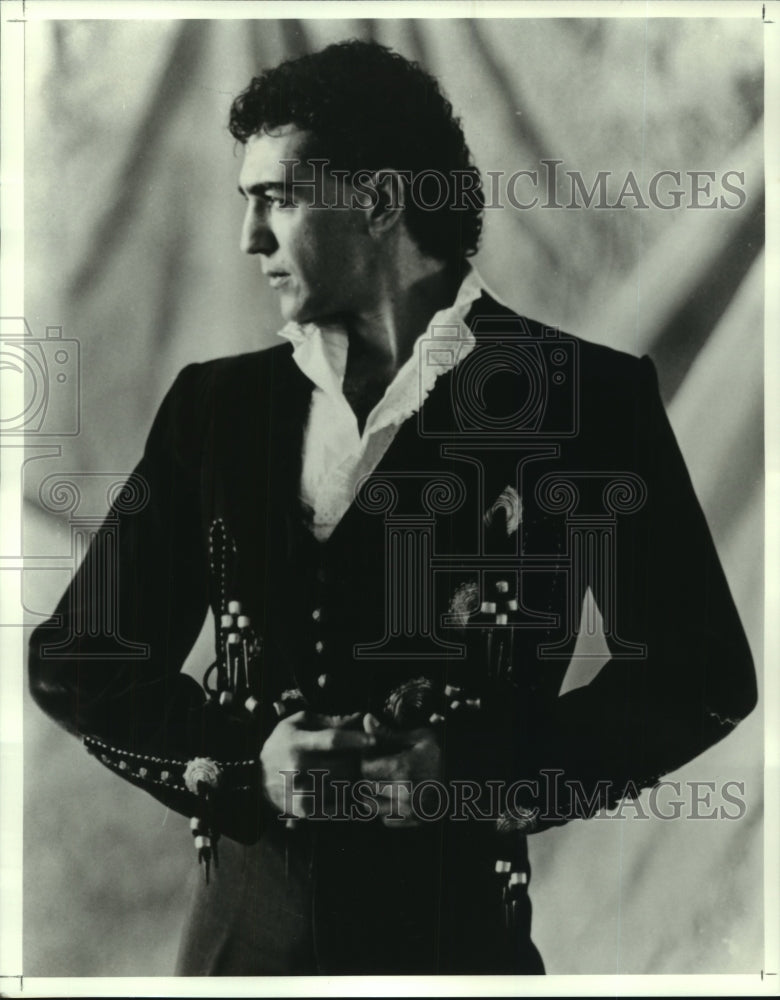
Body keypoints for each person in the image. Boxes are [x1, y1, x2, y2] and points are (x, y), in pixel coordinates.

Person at [28, 39, 757, 976]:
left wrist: (468, 771)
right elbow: (77, 659)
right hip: (236, 962)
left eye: (277, 200)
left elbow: (699, 678)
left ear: (378, 201)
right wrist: (248, 761)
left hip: (457, 958)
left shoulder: (585, 401)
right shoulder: (217, 410)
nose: (249, 240)